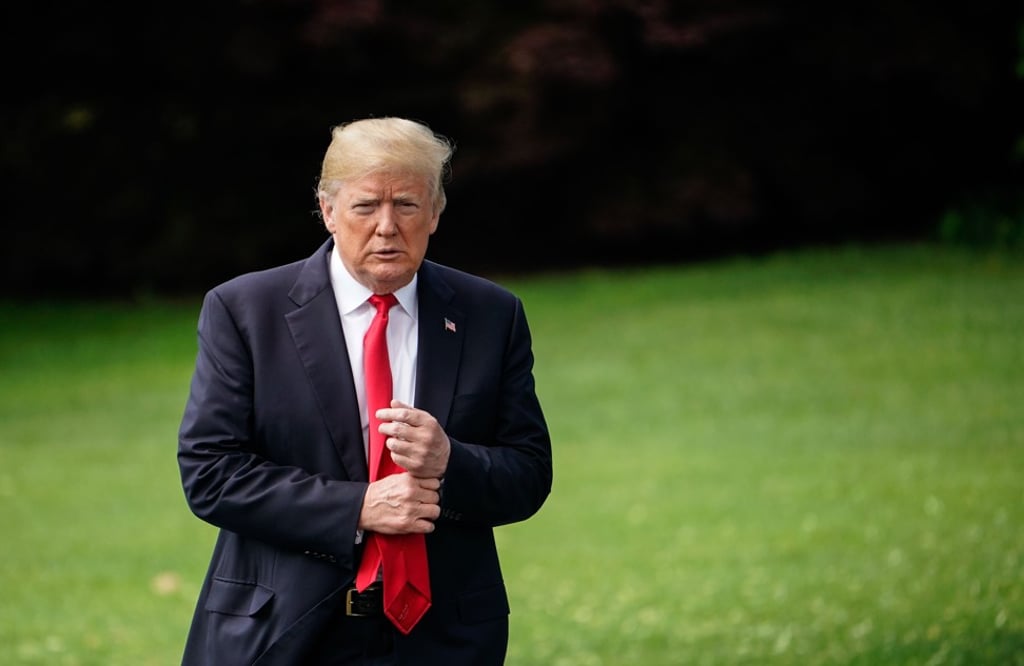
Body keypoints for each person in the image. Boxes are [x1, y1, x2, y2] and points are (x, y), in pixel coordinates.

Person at [177, 116, 553, 665]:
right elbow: (211, 472)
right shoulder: (245, 311)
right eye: (364, 206)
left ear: (435, 213)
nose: (386, 226)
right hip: (283, 631)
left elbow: (528, 474)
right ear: (328, 211)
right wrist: (359, 507)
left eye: (406, 204)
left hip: (445, 638)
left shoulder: (490, 315)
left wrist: (450, 461)